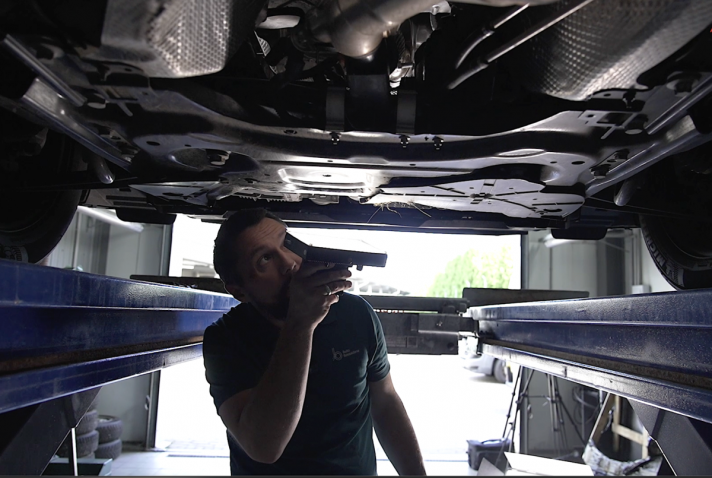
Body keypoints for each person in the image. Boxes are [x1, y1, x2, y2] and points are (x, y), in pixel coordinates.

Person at [203, 208, 426, 475]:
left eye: (287, 243)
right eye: (264, 259)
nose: (289, 263)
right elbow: (263, 447)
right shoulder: (225, 339)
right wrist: (301, 324)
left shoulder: (356, 313)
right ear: (239, 291)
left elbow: (386, 401)